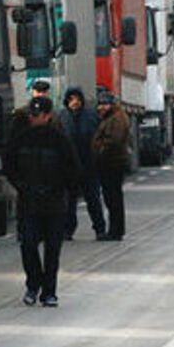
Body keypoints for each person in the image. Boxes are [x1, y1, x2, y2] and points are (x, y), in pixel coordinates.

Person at [5, 96, 80, 307]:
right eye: (31, 114)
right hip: (29, 202)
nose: (33, 118)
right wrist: (22, 186)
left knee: (52, 250)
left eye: (37, 115)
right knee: (28, 244)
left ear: (47, 116)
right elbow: (9, 164)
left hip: (54, 203)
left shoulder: (59, 139)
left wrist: (61, 190)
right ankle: (33, 283)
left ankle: (49, 292)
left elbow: (72, 169)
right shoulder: (21, 138)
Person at [59, 87, 105, 240]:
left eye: (77, 99)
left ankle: (99, 229)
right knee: (69, 202)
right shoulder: (62, 117)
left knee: (93, 199)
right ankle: (67, 230)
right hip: (69, 167)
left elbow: (98, 137)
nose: (75, 102)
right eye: (71, 99)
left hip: (89, 165)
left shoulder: (91, 116)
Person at [92, 89, 132, 241]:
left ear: (111, 105)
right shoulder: (111, 117)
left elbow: (113, 141)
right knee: (112, 198)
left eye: (105, 104)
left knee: (113, 198)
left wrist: (100, 150)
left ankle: (116, 231)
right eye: (100, 104)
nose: (101, 107)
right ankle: (115, 229)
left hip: (112, 163)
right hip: (110, 162)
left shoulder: (116, 119)